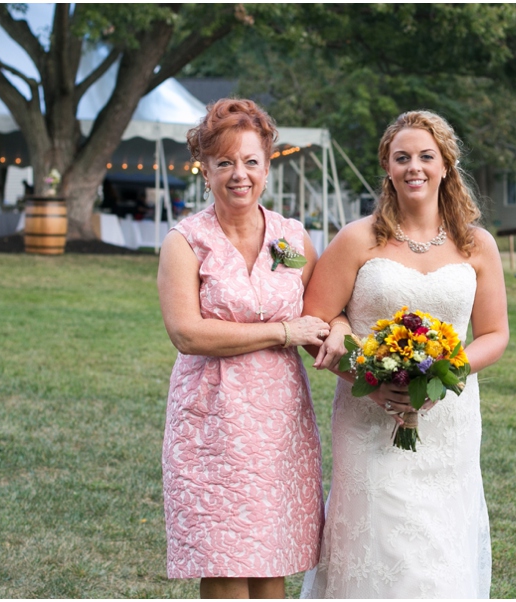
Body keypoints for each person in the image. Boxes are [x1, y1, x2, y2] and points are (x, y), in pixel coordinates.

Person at [300, 110, 509, 598]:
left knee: (438, 550)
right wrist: (373, 385)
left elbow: (495, 334)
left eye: (426, 156)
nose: (414, 166)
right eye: (402, 158)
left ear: (445, 166)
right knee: (378, 541)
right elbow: (316, 324)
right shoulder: (358, 239)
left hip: (448, 421)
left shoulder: (476, 245)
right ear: (388, 169)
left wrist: (446, 374)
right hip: (367, 417)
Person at [158, 98, 331, 599]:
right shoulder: (187, 241)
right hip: (212, 419)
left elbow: (319, 305)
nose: (240, 174)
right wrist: (282, 333)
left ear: (267, 167)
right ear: (205, 170)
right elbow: (187, 332)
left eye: (251, 161)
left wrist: (333, 328)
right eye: (225, 163)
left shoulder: (288, 239)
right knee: (226, 563)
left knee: (271, 561)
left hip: (279, 421)